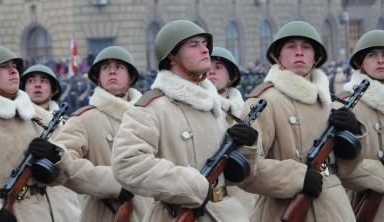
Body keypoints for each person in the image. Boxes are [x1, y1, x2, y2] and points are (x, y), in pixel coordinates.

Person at [111, 20, 259, 222]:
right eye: (194, 44)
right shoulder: (152, 108)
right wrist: (190, 185)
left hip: (226, 214)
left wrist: (246, 150)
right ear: (172, 56)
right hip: (176, 214)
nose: (205, 50)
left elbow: (233, 176)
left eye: (204, 43)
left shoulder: (214, 105)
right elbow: (126, 163)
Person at [239, 21, 364, 222]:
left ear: (316, 57)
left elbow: (348, 170)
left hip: (334, 208)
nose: (299, 52)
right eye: (291, 46)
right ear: (278, 56)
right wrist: (296, 177)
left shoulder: (329, 102)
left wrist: (353, 141)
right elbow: (244, 168)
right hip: (283, 207)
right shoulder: (264, 101)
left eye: (306, 47)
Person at [0, 45, 73, 222]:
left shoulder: (37, 116)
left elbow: (67, 171)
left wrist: (54, 155)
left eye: (14, 66)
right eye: (4, 66)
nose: (13, 71)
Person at [52, 46, 150, 222]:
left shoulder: (150, 115)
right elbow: (64, 164)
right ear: (98, 78)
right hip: (105, 214)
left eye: (119, 67)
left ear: (131, 77)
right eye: (106, 68)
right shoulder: (84, 119)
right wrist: (114, 184)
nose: (112, 72)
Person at [338, 29, 384, 222]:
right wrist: (380, 176)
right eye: (372, 55)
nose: (381, 60)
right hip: (365, 203)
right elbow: (331, 167)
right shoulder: (344, 106)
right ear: (360, 62)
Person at [20, 64, 82, 220]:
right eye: (31, 81)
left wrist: (57, 154)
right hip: (30, 207)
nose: (38, 84)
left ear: (53, 89)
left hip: (67, 206)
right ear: (23, 88)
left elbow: (78, 166)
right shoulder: (16, 121)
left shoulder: (68, 124)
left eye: (44, 81)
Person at [207, 46, 258, 216]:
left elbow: (258, 161)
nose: (211, 72)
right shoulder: (195, 109)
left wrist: (251, 144)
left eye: (219, 68)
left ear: (231, 77)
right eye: (208, 66)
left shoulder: (245, 110)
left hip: (241, 201)